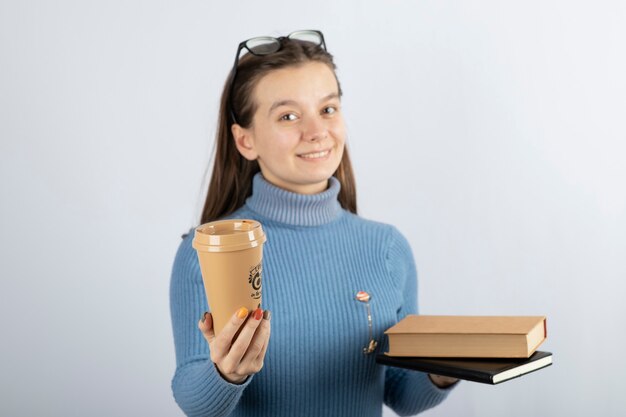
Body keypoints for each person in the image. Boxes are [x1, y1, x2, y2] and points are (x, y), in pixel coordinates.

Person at [169, 30, 458, 417]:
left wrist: (445, 370)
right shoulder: (207, 250)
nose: (317, 132)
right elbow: (194, 398)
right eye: (288, 116)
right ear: (245, 141)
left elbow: (402, 393)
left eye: (328, 109)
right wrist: (226, 374)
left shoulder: (387, 247)